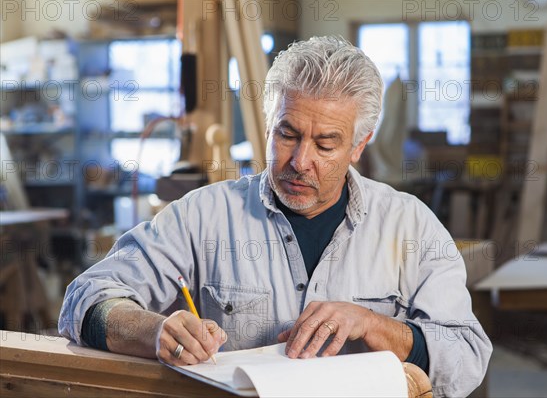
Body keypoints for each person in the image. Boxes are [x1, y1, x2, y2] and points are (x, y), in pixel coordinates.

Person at [59, 36, 491, 397]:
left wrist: (376, 326)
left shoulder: (409, 224)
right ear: (268, 126)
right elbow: (85, 300)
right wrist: (154, 331)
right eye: (287, 134)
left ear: (360, 146)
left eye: (325, 144)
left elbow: (468, 354)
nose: (300, 161)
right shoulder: (203, 216)